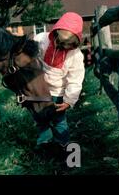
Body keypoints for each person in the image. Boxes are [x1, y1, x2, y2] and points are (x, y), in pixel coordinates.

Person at [33, 12, 85, 154]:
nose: (64, 47)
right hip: (38, 89)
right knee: (39, 116)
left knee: (59, 121)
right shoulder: (40, 40)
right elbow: (31, 60)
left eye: (69, 45)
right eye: (61, 43)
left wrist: (69, 101)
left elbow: (75, 80)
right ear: (55, 34)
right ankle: (45, 138)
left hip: (58, 93)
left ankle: (62, 143)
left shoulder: (75, 55)